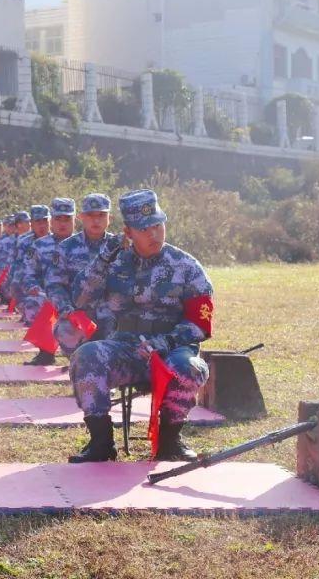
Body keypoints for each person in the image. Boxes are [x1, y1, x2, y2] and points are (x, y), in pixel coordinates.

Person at [67, 189, 214, 464]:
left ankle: (170, 441)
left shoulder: (186, 266)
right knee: (85, 356)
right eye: (145, 229)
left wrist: (166, 342)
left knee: (192, 367)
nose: (155, 234)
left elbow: (199, 323)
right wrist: (102, 259)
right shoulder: (113, 261)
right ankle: (101, 442)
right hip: (126, 348)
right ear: (128, 232)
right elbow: (81, 298)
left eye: (158, 225)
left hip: (171, 351)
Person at [45, 193, 115, 361]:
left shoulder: (120, 246)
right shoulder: (66, 248)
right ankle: (80, 362)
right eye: (91, 215)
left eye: (101, 215)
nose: (96, 221)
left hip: (113, 314)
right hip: (78, 314)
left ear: (109, 218)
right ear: (82, 217)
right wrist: (66, 309)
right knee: (64, 330)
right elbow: (54, 284)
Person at [19, 197, 78, 365]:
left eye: (67, 219)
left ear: (75, 220)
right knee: (34, 303)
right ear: (51, 221)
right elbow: (29, 272)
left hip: (81, 297)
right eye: (58, 219)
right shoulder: (39, 246)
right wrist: (34, 287)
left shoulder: (83, 243)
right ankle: (46, 352)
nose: (62, 223)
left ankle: (82, 357)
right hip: (49, 296)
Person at [8, 207, 48, 314]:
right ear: (32, 223)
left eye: (45, 221)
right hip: (33, 284)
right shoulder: (24, 243)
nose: (42, 225)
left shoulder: (61, 241)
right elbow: (18, 270)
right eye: (38, 221)